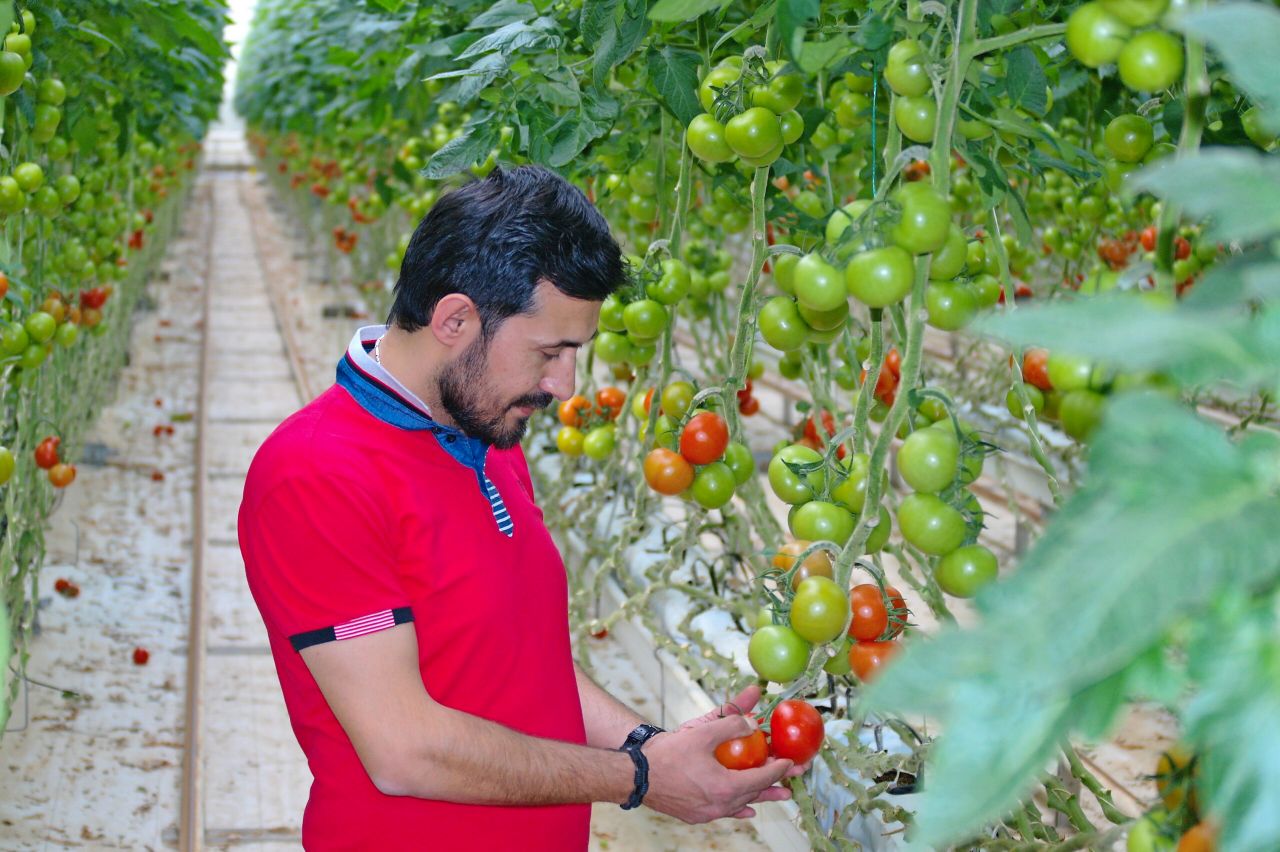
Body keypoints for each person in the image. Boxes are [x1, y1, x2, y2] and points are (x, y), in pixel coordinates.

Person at [238, 165, 802, 851]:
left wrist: (651, 745)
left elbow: (518, 657)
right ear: (455, 320)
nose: (563, 386)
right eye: (549, 351)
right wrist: (637, 778)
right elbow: (405, 749)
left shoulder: (488, 433)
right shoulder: (317, 475)